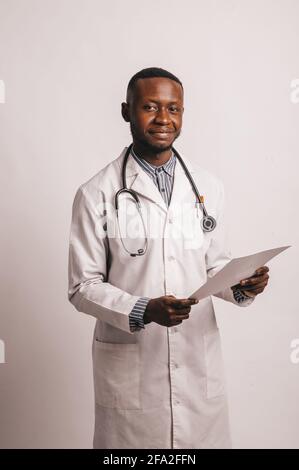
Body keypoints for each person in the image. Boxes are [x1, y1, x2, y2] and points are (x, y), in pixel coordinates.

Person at [67, 67, 269, 449]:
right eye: (150, 107)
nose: (164, 119)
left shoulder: (208, 187)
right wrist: (143, 309)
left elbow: (213, 266)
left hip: (197, 365)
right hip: (134, 373)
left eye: (174, 109)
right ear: (127, 112)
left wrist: (241, 284)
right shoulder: (96, 193)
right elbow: (82, 287)